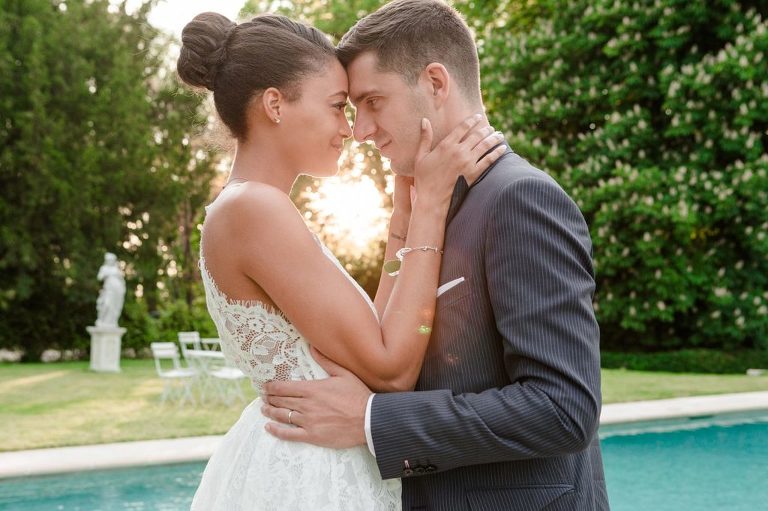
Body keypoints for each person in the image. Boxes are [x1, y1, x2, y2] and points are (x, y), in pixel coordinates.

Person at [261, 1, 610, 510]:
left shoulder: (519, 199)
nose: (360, 131)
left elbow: (564, 409)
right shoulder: (429, 203)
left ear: (436, 84)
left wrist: (370, 420)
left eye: (373, 101)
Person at [176, 10, 504, 511]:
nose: (349, 130)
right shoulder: (254, 209)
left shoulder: (253, 206)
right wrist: (431, 208)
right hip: (309, 478)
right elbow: (392, 369)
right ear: (274, 105)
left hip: (305, 460)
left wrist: (401, 222)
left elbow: (374, 337)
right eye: (336, 106)